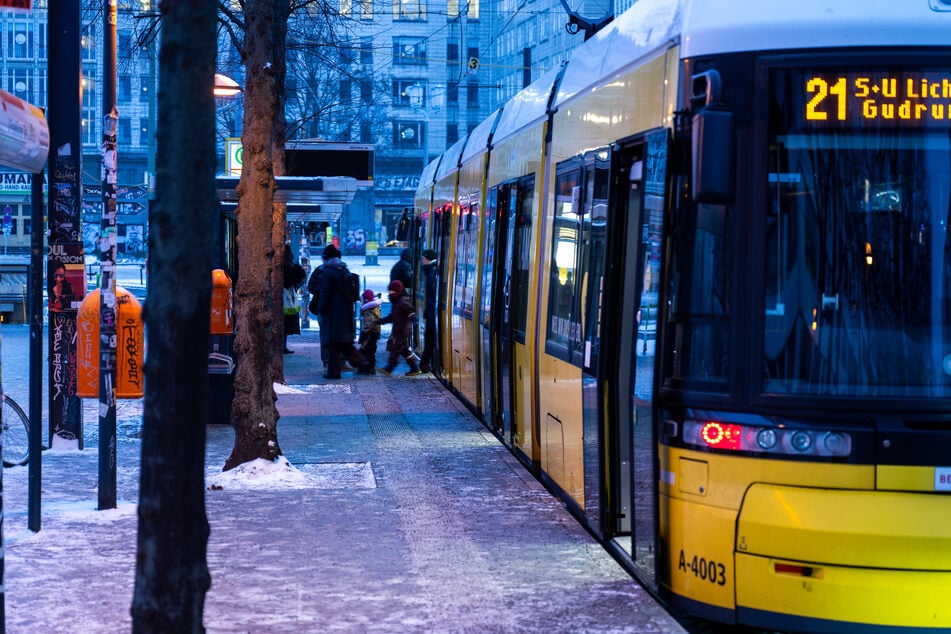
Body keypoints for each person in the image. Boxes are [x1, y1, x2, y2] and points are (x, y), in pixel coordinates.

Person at [315, 244, 370, 379]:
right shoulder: (343, 268)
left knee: (336, 343)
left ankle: (337, 371)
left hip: (334, 313)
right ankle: (357, 364)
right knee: (342, 343)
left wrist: (320, 308)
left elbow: (325, 293)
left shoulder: (328, 271)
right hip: (345, 311)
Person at [377, 279, 422, 377]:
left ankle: (389, 368)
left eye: (392, 290)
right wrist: (381, 321)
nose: (390, 292)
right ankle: (414, 368)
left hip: (403, 329)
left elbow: (410, 311)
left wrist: (414, 318)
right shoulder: (396, 302)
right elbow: (392, 316)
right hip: (399, 329)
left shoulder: (402, 301)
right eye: (389, 290)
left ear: (397, 291)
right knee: (403, 349)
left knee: (396, 348)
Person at [282, 246, 306, 354]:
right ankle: (283, 346)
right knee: (285, 326)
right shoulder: (293, 267)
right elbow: (301, 277)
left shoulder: (278, 267)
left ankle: (281, 346)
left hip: (280, 299)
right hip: (288, 299)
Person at [419, 249, 438, 373]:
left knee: (429, 339)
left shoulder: (431, 272)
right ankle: (424, 364)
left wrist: (429, 314)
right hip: (431, 313)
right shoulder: (432, 271)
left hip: (432, 314)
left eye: (423, 259)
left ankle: (424, 364)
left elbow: (432, 297)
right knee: (429, 339)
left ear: (427, 259)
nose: (421, 261)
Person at [358, 288, 382, 374]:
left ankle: (367, 368)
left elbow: (368, 325)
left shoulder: (368, 311)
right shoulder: (375, 308)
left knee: (366, 351)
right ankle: (370, 368)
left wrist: (363, 336)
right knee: (370, 351)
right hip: (374, 333)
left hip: (370, 334)